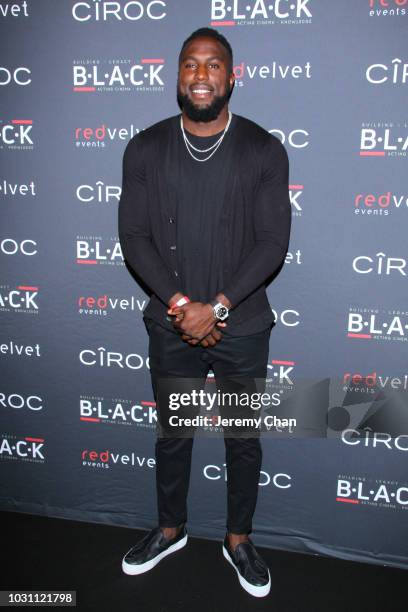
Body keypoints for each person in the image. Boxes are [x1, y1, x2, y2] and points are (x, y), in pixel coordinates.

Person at [118, 27, 291, 598]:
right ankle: (170, 529)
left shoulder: (264, 149)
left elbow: (272, 242)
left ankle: (238, 538)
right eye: (190, 64)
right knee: (174, 434)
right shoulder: (144, 147)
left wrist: (214, 307)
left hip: (241, 324)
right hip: (171, 323)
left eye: (213, 65)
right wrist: (180, 306)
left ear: (231, 77)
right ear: (177, 76)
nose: (200, 74)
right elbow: (134, 236)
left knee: (243, 438)